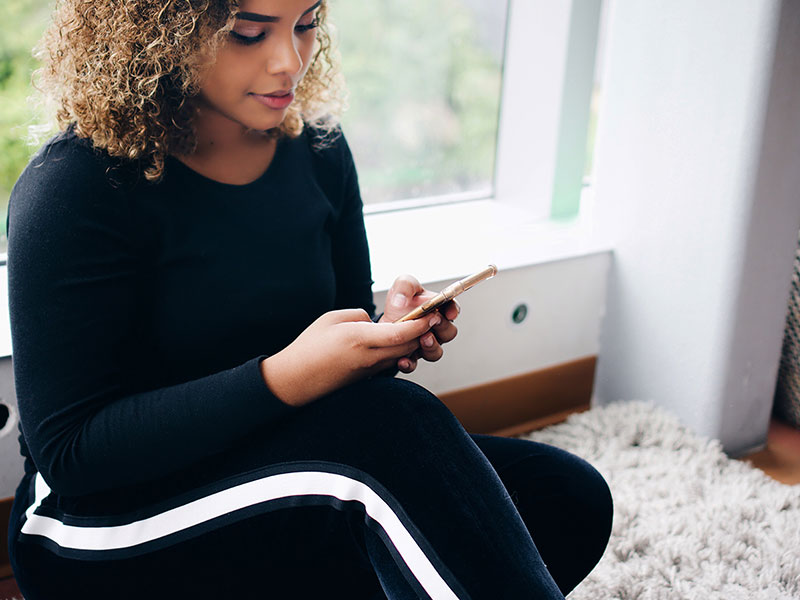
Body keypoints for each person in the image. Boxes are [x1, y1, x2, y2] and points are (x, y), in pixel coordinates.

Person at [5, 0, 613, 598]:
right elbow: (73, 453)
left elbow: (336, 365)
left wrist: (380, 337)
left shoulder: (318, 152)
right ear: (161, 28)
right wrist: (286, 378)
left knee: (566, 495)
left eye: (306, 25)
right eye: (248, 33)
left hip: (270, 466)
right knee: (393, 431)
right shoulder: (77, 186)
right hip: (101, 525)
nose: (288, 60)